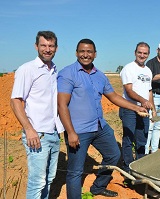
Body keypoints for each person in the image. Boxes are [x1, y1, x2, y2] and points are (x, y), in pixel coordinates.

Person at [57, 39, 147, 198]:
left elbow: (113, 96)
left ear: (95, 54)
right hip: (78, 130)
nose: (86, 55)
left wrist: (136, 107)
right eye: (82, 51)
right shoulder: (68, 73)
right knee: (75, 172)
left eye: (89, 51)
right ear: (76, 53)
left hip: (99, 127)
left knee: (113, 154)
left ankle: (98, 187)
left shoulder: (100, 75)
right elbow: (61, 105)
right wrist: (70, 132)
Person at [10, 31, 64, 199]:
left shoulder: (54, 70)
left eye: (51, 46)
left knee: (49, 179)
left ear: (56, 48)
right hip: (37, 134)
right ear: (36, 47)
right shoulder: (27, 69)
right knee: (37, 181)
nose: (47, 49)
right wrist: (29, 129)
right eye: (43, 45)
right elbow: (15, 101)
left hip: (53, 133)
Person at [119, 42, 155, 173]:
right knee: (128, 138)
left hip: (144, 110)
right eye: (140, 52)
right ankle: (127, 166)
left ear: (148, 54)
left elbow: (149, 91)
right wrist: (143, 101)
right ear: (135, 53)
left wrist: (152, 108)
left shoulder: (148, 71)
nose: (142, 55)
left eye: (145, 53)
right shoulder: (128, 69)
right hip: (130, 109)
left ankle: (141, 164)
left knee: (142, 138)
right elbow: (129, 91)